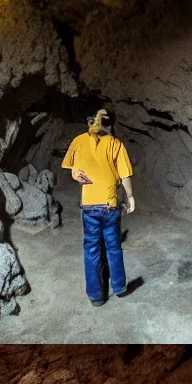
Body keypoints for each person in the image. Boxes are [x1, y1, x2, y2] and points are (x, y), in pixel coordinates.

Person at [62, 108, 136, 307]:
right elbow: (125, 175)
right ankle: (119, 287)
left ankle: (96, 297)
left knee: (92, 250)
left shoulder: (79, 141)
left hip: (89, 207)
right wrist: (130, 196)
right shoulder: (115, 144)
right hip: (110, 206)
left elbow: (73, 170)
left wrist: (77, 174)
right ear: (110, 124)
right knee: (113, 248)